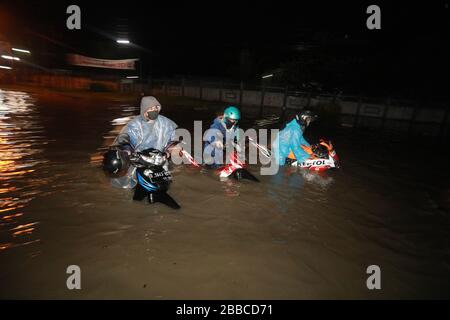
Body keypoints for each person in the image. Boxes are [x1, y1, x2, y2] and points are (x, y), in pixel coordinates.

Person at [106, 96, 179, 188]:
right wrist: (127, 150)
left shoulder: (165, 123)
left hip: (159, 159)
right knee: (125, 185)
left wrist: (169, 150)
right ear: (144, 110)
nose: (154, 110)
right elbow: (126, 138)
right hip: (139, 160)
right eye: (151, 108)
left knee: (165, 184)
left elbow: (173, 139)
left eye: (156, 108)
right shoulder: (135, 124)